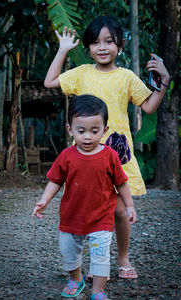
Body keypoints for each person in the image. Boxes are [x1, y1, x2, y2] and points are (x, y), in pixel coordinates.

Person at [44, 16, 170, 279]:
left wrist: (165, 82)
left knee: (121, 210)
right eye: (96, 42)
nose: (102, 47)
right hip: (86, 156)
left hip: (118, 154)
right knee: (90, 207)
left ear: (120, 46)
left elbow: (148, 106)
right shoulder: (80, 73)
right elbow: (50, 82)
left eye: (109, 42)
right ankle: (97, 265)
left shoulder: (126, 76)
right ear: (88, 47)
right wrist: (63, 49)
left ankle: (123, 260)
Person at [32, 95, 137, 300]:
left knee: (100, 258)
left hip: (101, 219)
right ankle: (76, 279)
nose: (87, 137)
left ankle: (98, 291)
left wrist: (129, 205)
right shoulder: (66, 156)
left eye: (94, 131)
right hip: (71, 218)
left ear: (105, 130)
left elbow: (121, 183)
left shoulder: (109, 156)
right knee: (69, 253)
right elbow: (55, 180)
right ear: (70, 129)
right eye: (81, 131)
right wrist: (44, 200)